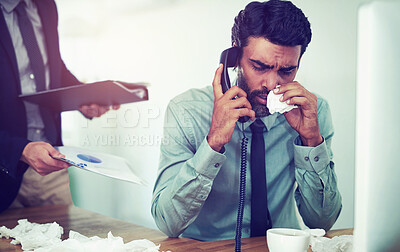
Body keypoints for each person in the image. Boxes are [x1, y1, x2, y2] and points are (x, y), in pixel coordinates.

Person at [151, 0, 342, 241]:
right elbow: (167, 223)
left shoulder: (313, 111)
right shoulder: (186, 111)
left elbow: (322, 222)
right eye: (259, 66)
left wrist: (312, 141)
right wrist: (213, 143)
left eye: (287, 70)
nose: (272, 84)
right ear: (234, 57)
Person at [0, 0, 118, 212]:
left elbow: (52, 66)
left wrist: (83, 96)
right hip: (4, 169)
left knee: (64, 243)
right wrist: (20, 149)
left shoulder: (46, 5)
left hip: (52, 165)